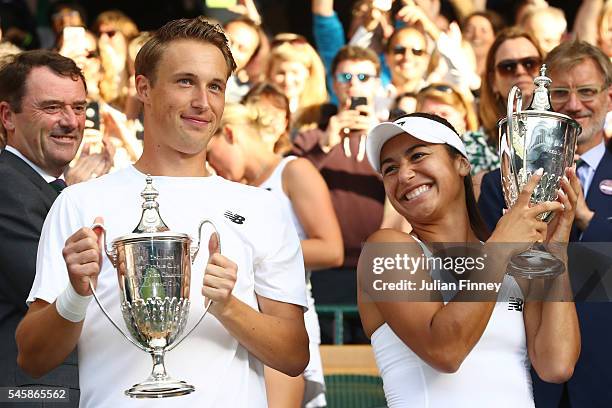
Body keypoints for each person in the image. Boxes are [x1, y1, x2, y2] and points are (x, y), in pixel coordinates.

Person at [15, 17, 309, 407]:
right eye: (185, 81)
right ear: (144, 88)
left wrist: (228, 306)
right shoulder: (79, 203)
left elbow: (293, 356)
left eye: (215, 86)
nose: (203, 102)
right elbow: (33, 359)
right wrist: (75, 294)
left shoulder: (261, 208)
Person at [359, 112, 581, 407]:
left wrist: (556, 251)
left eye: (418, 156)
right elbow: (445, 351)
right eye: (390, 169)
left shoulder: (506, 256)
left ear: (462, 163)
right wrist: (500, 247)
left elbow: (556, 365)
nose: (404, 175)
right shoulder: (385, 249)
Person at [208, 102, 343, 408]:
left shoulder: (294, 170)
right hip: (245, 326)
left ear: (229, 134)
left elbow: (331, 248)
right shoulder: (235, 192)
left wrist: (261, 252)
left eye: (211, 154)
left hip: (288, 324)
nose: (212, 166)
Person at [0, 49, 87, 406]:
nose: (70, 121)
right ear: (7, 116)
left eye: (79, 108)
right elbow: (53, 288)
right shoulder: (7, 188)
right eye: (52, 107)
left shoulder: (54, 191)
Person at [529, 39, 612, 408]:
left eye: (587, 91)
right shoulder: (513, 175)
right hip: (533, 377)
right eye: (560, 92)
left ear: (608, 98)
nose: (575, 105)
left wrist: (588, 220)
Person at [292, 45, 385, 344]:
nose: (353, 83)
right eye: (345, 75)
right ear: (333, 83)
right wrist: (324, 146)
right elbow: (289, 187)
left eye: (363, 76)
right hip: (326, 269)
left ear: (377, 82)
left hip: (379, 268)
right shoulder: (310, 138)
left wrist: (380, 141)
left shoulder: (392, 137)